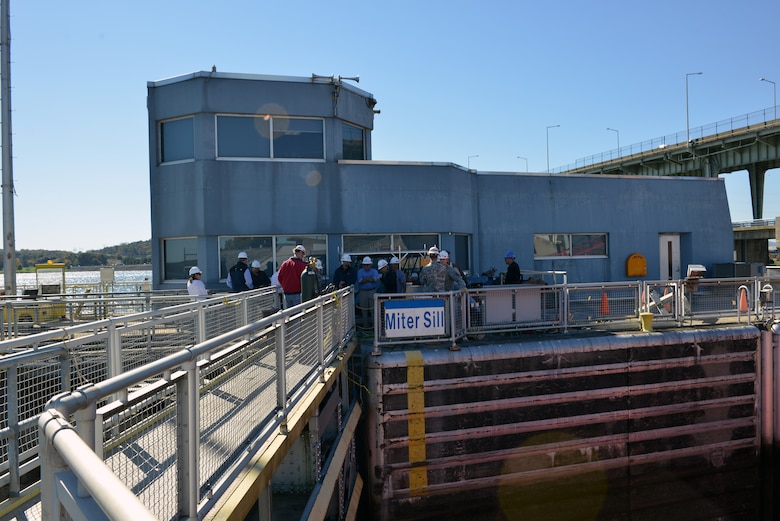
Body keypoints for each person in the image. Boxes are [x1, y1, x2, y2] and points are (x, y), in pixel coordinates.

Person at [356, 256, 379, 329]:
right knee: (364, 309)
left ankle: (374, 327)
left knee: (373, 309)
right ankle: (366, 326)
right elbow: (360, 281)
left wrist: (365, 279)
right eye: (365, 265)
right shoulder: (360, 271)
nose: (366, 266)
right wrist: (370, 279)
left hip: (372, 291)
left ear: (371, 265)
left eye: (368, 264)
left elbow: (375, 279)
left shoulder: (374, 271)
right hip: (363, 292)